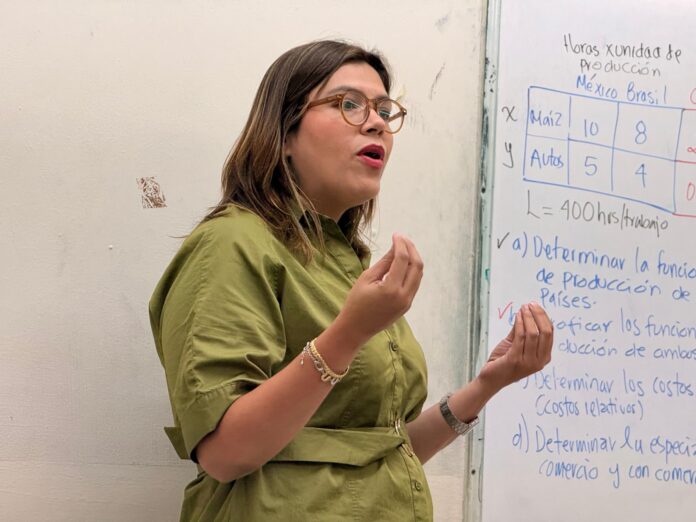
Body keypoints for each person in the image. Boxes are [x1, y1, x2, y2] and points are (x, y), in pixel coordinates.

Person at [148, 39, 554, 522]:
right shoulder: (232, 243)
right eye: (349, 104)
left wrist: (486, 387)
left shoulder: (345, 264)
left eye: (384, 109)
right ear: (284, 134)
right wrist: (350, 333)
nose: (377, 122)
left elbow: (376, 456)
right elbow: (225, 451)